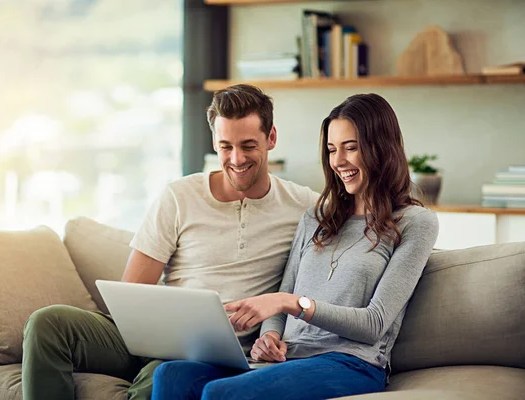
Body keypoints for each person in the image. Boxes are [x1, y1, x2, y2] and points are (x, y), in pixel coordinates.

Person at [21, 84, 319, 400]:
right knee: (47, 324)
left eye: (248, 146)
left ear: (271, 138)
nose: (236, 158)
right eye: (225, 146)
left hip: (215, 356)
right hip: (153, 337)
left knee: (161, 380)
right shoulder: (179, 196)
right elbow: (133, 291)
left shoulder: (304, 206)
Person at [151, 93, 440, 400]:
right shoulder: (316, 218)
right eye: (331, 150)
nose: (338, 161)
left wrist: (294, 304)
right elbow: (282, 299)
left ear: (381, 148)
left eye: (351, 148)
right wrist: (270, 336)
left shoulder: (415, 223)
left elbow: (374, 323)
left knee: (221, 393)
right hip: (290, 358)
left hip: (351, 362)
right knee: (171, 375)